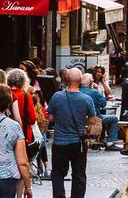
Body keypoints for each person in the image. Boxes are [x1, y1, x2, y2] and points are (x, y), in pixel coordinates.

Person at [48, 68, 97, 198]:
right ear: (80, 81)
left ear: (66, 80)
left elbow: (50, 118)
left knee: (58, 174)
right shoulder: (87, 99)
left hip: (60, 142)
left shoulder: (57, 96)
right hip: (78, 142)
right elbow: (92, 120)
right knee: (79, 174)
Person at [80, 73, 120, 150]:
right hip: (94, 119)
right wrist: (97, 89)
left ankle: (100, 139)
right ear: (91, 82)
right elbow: (103, 104)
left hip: (81, 119)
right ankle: (110, 143)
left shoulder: (78, 91)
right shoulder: (94, 92)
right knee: (114, 118)